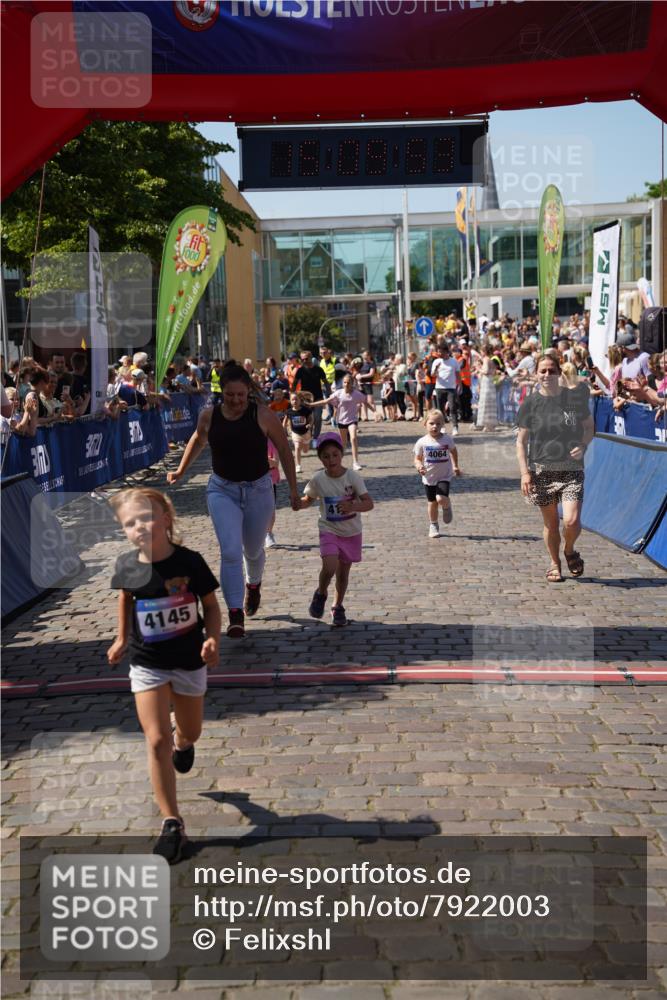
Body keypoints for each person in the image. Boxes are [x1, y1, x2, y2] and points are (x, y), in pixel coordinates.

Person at [107, 488, 221, 864]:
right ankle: (171, 822)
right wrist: (122, 637)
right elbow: (126, 596)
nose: (139, 526)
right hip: (147, 661)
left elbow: (209, 606)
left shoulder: (191, 562)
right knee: (154, 740)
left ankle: (183, 743)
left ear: (167, 518)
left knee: (190, 732)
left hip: (189, 659)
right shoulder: (126, 566)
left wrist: (212, 639)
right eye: (130, 522)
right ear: (124, 531)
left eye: (146, 517)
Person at [167, 362, 299, 638]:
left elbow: (285, 450)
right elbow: (197, 439)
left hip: (258, 490)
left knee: (252, 551)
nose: (236, 401)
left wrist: (294, 490)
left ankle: (254, 584)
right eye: (230, 395)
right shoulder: (209, 416)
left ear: (248, 392)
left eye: (241, 395)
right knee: (229, 551)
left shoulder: (262, 415)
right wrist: (181, 469)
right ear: (222, 393)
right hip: (222, 489)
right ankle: (235, 613)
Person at [516, 354, 594, 583]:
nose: (547, 375)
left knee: (571, 521)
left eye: (552, 370)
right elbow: (521, 442)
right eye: (543, 371)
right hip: (542, 470)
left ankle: (569, 549)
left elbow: (589, 427)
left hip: (571, 469)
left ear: (560, 373)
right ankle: (554, 562)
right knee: (551, 524)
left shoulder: (574, 399)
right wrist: (524, 473)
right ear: (536, 374)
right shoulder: (530, 404)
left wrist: (583, 445)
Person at [297, 432, 373, 627]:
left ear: (342, 454)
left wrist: (352, 506)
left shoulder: (352, 477)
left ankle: (337, 606)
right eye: (326, 456)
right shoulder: (318, 479)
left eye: (335, 454)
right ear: (320, 458)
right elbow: (308, 499)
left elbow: (368, 503)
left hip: (351, 532)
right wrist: (298, 503)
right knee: (329, 565)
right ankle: (321, 592)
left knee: (342, 573)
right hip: (328, 528)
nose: (331, 459)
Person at [413, 410, 461, 538]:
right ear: (425, 424)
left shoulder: (447, 439)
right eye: (432, 423)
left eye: (438, 424)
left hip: (445, 475)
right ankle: (433, 525)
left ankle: (446, 505)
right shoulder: (422, 442)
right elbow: (417, 459)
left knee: (440, 498)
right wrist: (419, 467)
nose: (435, 426)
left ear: (443, 425)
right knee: (432, 502)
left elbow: (454, 451)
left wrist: (455, 466)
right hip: (429, 477)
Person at [314, 372, 372, 470]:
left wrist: (375, 412)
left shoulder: (357, 394)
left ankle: (355, 462)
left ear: (352, 383)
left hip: (352, 420)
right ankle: (338, 462)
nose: (346, 384)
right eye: (344, 382)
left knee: (353, 438)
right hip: (341, 421)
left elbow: (366, 402)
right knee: (343, 443)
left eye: (348, 382)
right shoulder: (338, 393)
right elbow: (325, 401)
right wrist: (311, 404)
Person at [293, 351, 329, 441]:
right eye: (303, 359)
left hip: (318, 398)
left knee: (317, 417)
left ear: (311, 357)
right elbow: (294, 383)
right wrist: (292, 395)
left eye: (306, 358)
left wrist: (329, 393)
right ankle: (308, 435)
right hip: (305, 399)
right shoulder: (300, 370)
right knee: (307, 418)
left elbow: (326, 382)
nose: (305, 360)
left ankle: (316, 438)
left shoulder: (319, 369)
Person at [431, 344, 461, 435]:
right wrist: (436, 368)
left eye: (441, 351)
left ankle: (455, 427)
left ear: (446, 352)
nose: (439, 353)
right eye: (438, 351)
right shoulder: (436, 361)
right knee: (440, 409)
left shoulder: (454, 361)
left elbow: (458, 374)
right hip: (439, 387)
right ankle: (442, 427)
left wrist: (459, 385)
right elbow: (432, 375)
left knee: (452, 407)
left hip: (451, 388)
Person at [284, 390, 314, 473]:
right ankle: (298, 466)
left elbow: (311, 419)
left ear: (300, 400)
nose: (294, 401)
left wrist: (310, 424)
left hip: (306, 432)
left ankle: (306, 444)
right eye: (293, 400)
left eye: (296, 399)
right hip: (295, 432)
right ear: (290, 401)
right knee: (297, 447)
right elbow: (285, 421)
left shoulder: (305, 410)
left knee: (305, 450)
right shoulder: (289, 411)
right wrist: (283, 429)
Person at [475, 345, 499, 431]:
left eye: (481, 351)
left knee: (485, 402)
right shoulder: (491, 360)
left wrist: (478, 368)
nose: (480, 353)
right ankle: (489, 425)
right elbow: (494, 371)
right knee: (489, 403)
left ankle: (487, 425)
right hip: (490, 381)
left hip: (486, 381)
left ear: (484, 351)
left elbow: (485, 371)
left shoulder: (486, 359)